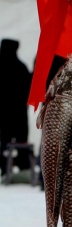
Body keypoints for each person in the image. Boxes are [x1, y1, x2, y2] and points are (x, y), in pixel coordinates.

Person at [0, 39, 31, 175]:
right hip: (19, 112)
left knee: (4, 141)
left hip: (3, 112)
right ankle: (23, 166)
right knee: (21, 140)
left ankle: (4, 167)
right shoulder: (21, 67)